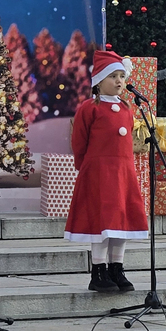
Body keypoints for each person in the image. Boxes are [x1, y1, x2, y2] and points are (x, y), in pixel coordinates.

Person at [64, 50, 149, 292]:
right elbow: (79, 142)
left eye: (122, 76)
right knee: (102, 221)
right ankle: (98, 270)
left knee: (120, 220)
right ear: (99, 81)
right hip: (99, 173)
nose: (120, 81)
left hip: (123, 173)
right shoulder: (89, 108)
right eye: (113, 76)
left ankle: (117, 267)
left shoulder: (126, 108)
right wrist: (86, 168)